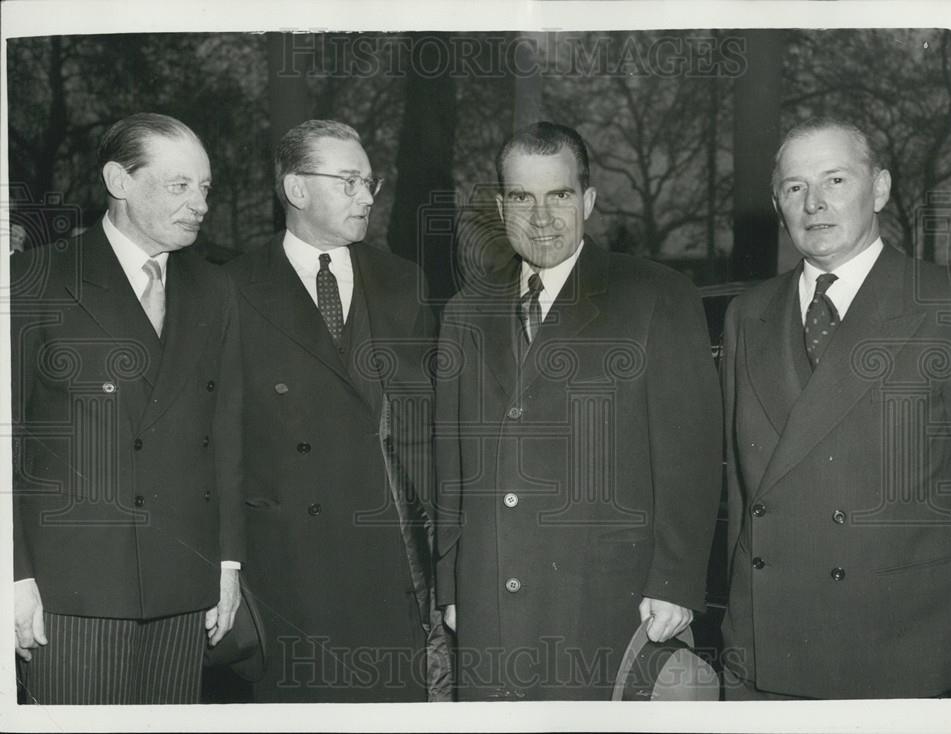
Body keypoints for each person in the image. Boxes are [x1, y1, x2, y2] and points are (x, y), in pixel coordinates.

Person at [434, 121, 723, 701]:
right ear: (500, 206)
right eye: (522, 197)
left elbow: (691, 451)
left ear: (588, 200)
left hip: (605, 599)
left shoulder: (654, 295)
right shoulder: (466, 310)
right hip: (488, 597)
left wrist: (675, 580)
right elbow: (451, 463)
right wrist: (451, 585)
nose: (541, 216)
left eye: (559, 195)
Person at [720, 117, 951, 699]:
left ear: (879, 188)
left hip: (901, 645)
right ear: (777, 204)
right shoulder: (746, 315)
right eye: (795, 187)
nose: (815, 204)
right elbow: (737, 491)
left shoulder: (949, 303)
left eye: (836, 180)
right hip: (765, 646)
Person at [10, 113, 244, 704]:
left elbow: (227, 434)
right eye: (179, 185)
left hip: (183, 587)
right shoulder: (34, 280)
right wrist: (13, 574)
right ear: (118, 180)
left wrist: (226, 564)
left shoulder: (215, 290)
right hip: (71, 593)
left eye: (205, 187)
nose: (200, 204)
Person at [225, 120, 437, 702]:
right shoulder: (231, 289)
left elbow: (428, 436)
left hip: (388, 564)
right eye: (348, 182)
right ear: (296, 190)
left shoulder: (403, 284)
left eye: (370, 182)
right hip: (286, 569)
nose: (368, 196)